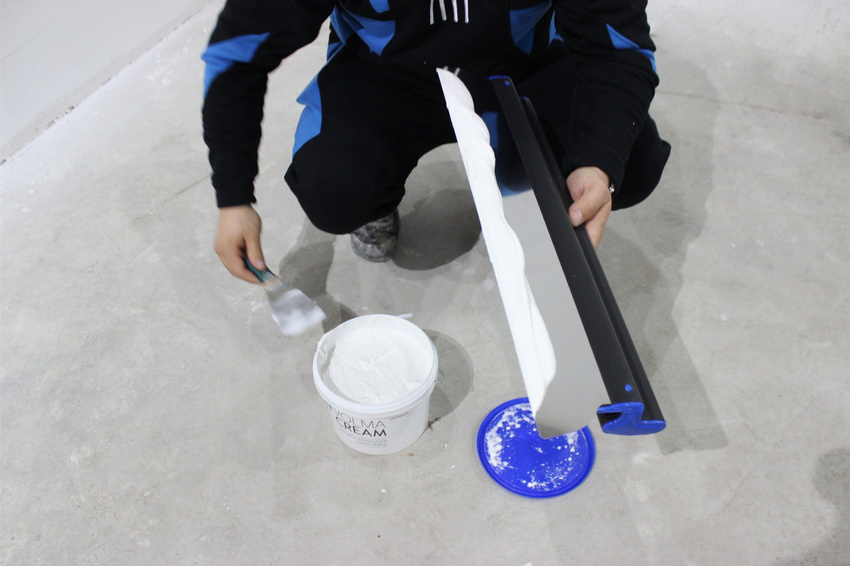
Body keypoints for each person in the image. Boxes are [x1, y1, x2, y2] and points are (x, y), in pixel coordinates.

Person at [202, 0, 671, 283]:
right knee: (335, 186)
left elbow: (620, 51)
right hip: (387, 73)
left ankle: (522, 181)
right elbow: (237, 52)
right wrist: (233, 196)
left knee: (628, 159)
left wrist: (596, 161)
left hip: (518, 68)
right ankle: (375, 202)